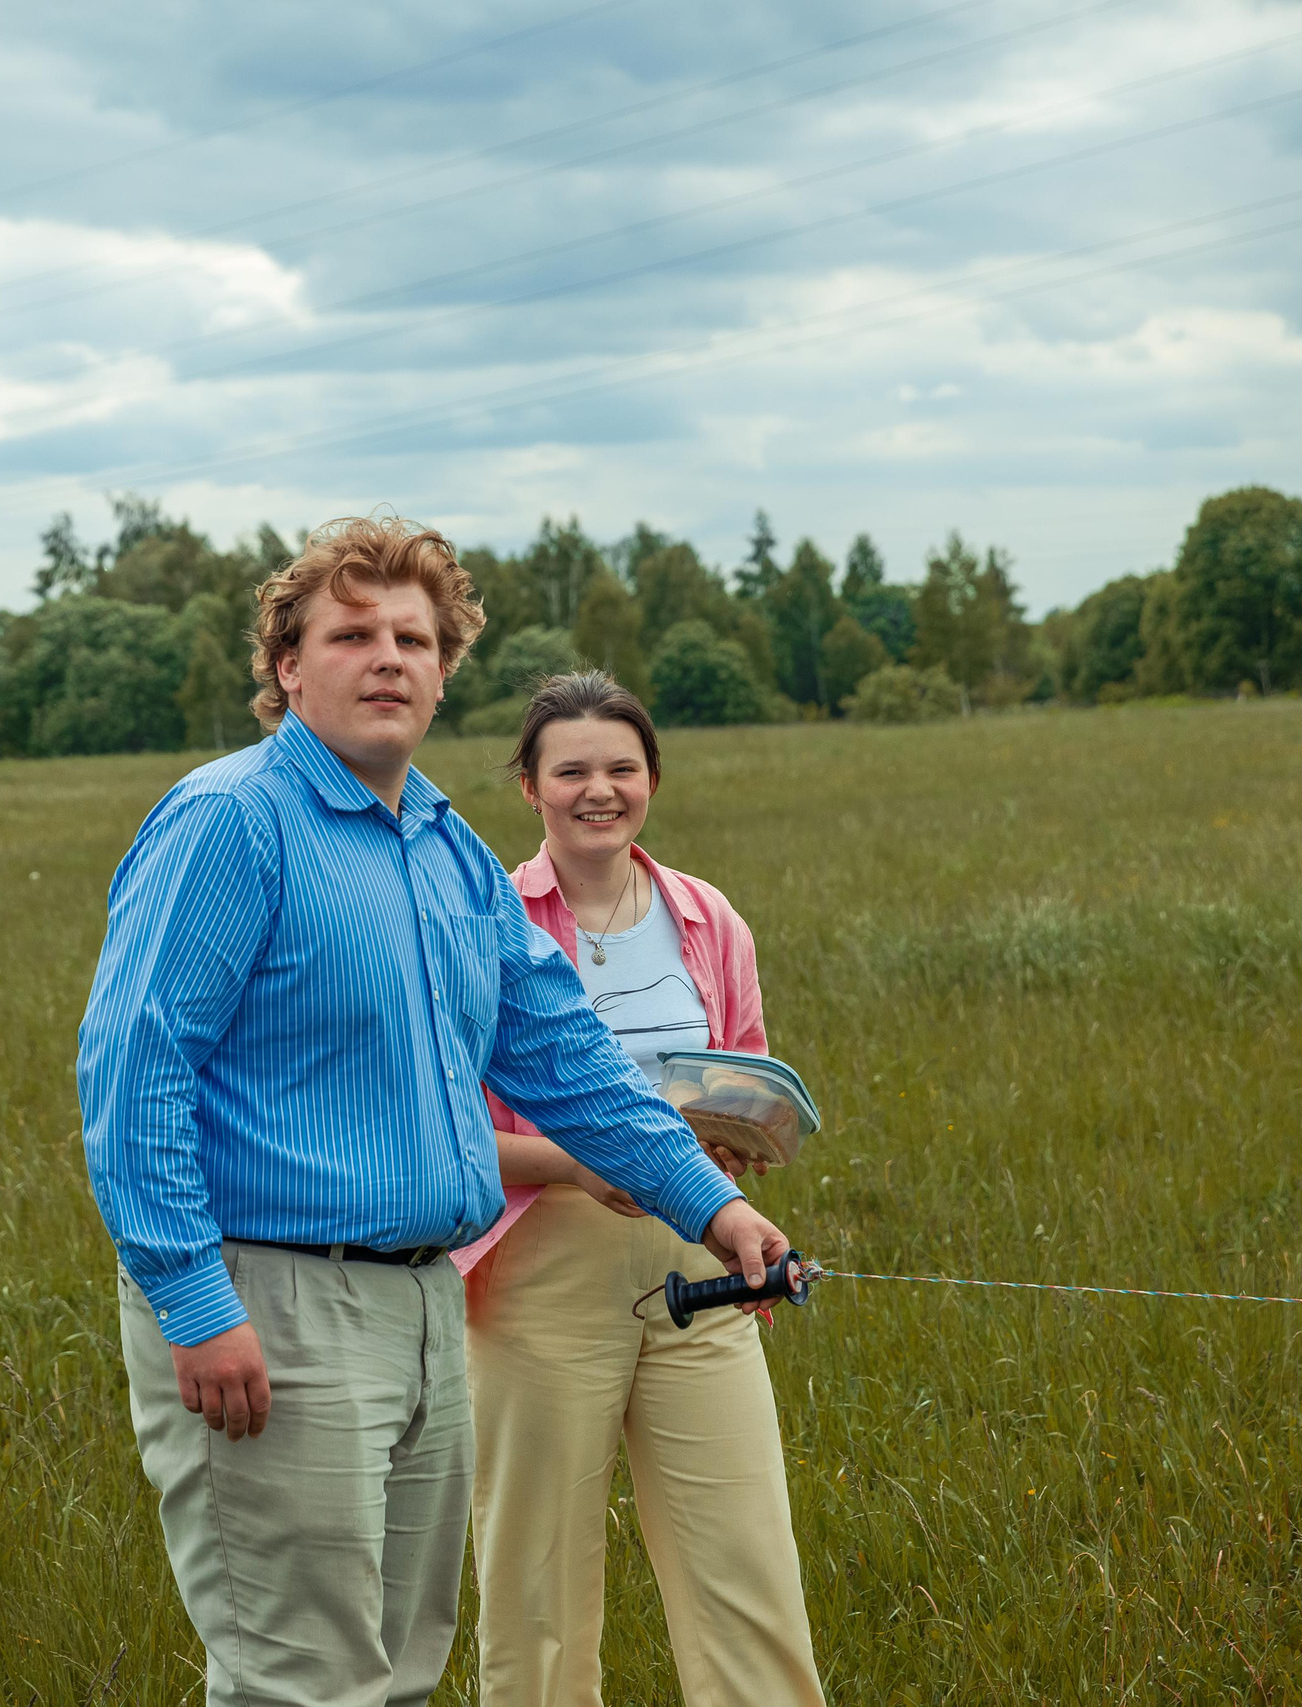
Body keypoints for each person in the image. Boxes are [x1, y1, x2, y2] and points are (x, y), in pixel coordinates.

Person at [76, 517, 798, 1707]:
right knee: (301, 1680)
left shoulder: (446, 849)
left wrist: (710, 1207)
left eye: (414, 639)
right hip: (273, 1300)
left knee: (401, 1670)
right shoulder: (230, 821)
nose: (387, 659)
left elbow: (564, 1056)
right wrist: (194, 1303)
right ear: (286, 666)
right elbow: (134, 1075)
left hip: (423, 1302)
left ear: (444, 670)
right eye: (350, 635)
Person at [456, 672, 826, 1707]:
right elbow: (446, 1136)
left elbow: (746, 1084)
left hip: (697, 1261)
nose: (599, 790)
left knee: (749, 1572)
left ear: (651, 779)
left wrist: (735, 1160)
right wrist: (579, 1162)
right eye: (570, 770)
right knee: (535, 1591)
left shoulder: (709, 917)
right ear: (529, 786)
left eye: (622, 768)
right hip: (536, 1276)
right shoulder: (484, 921)